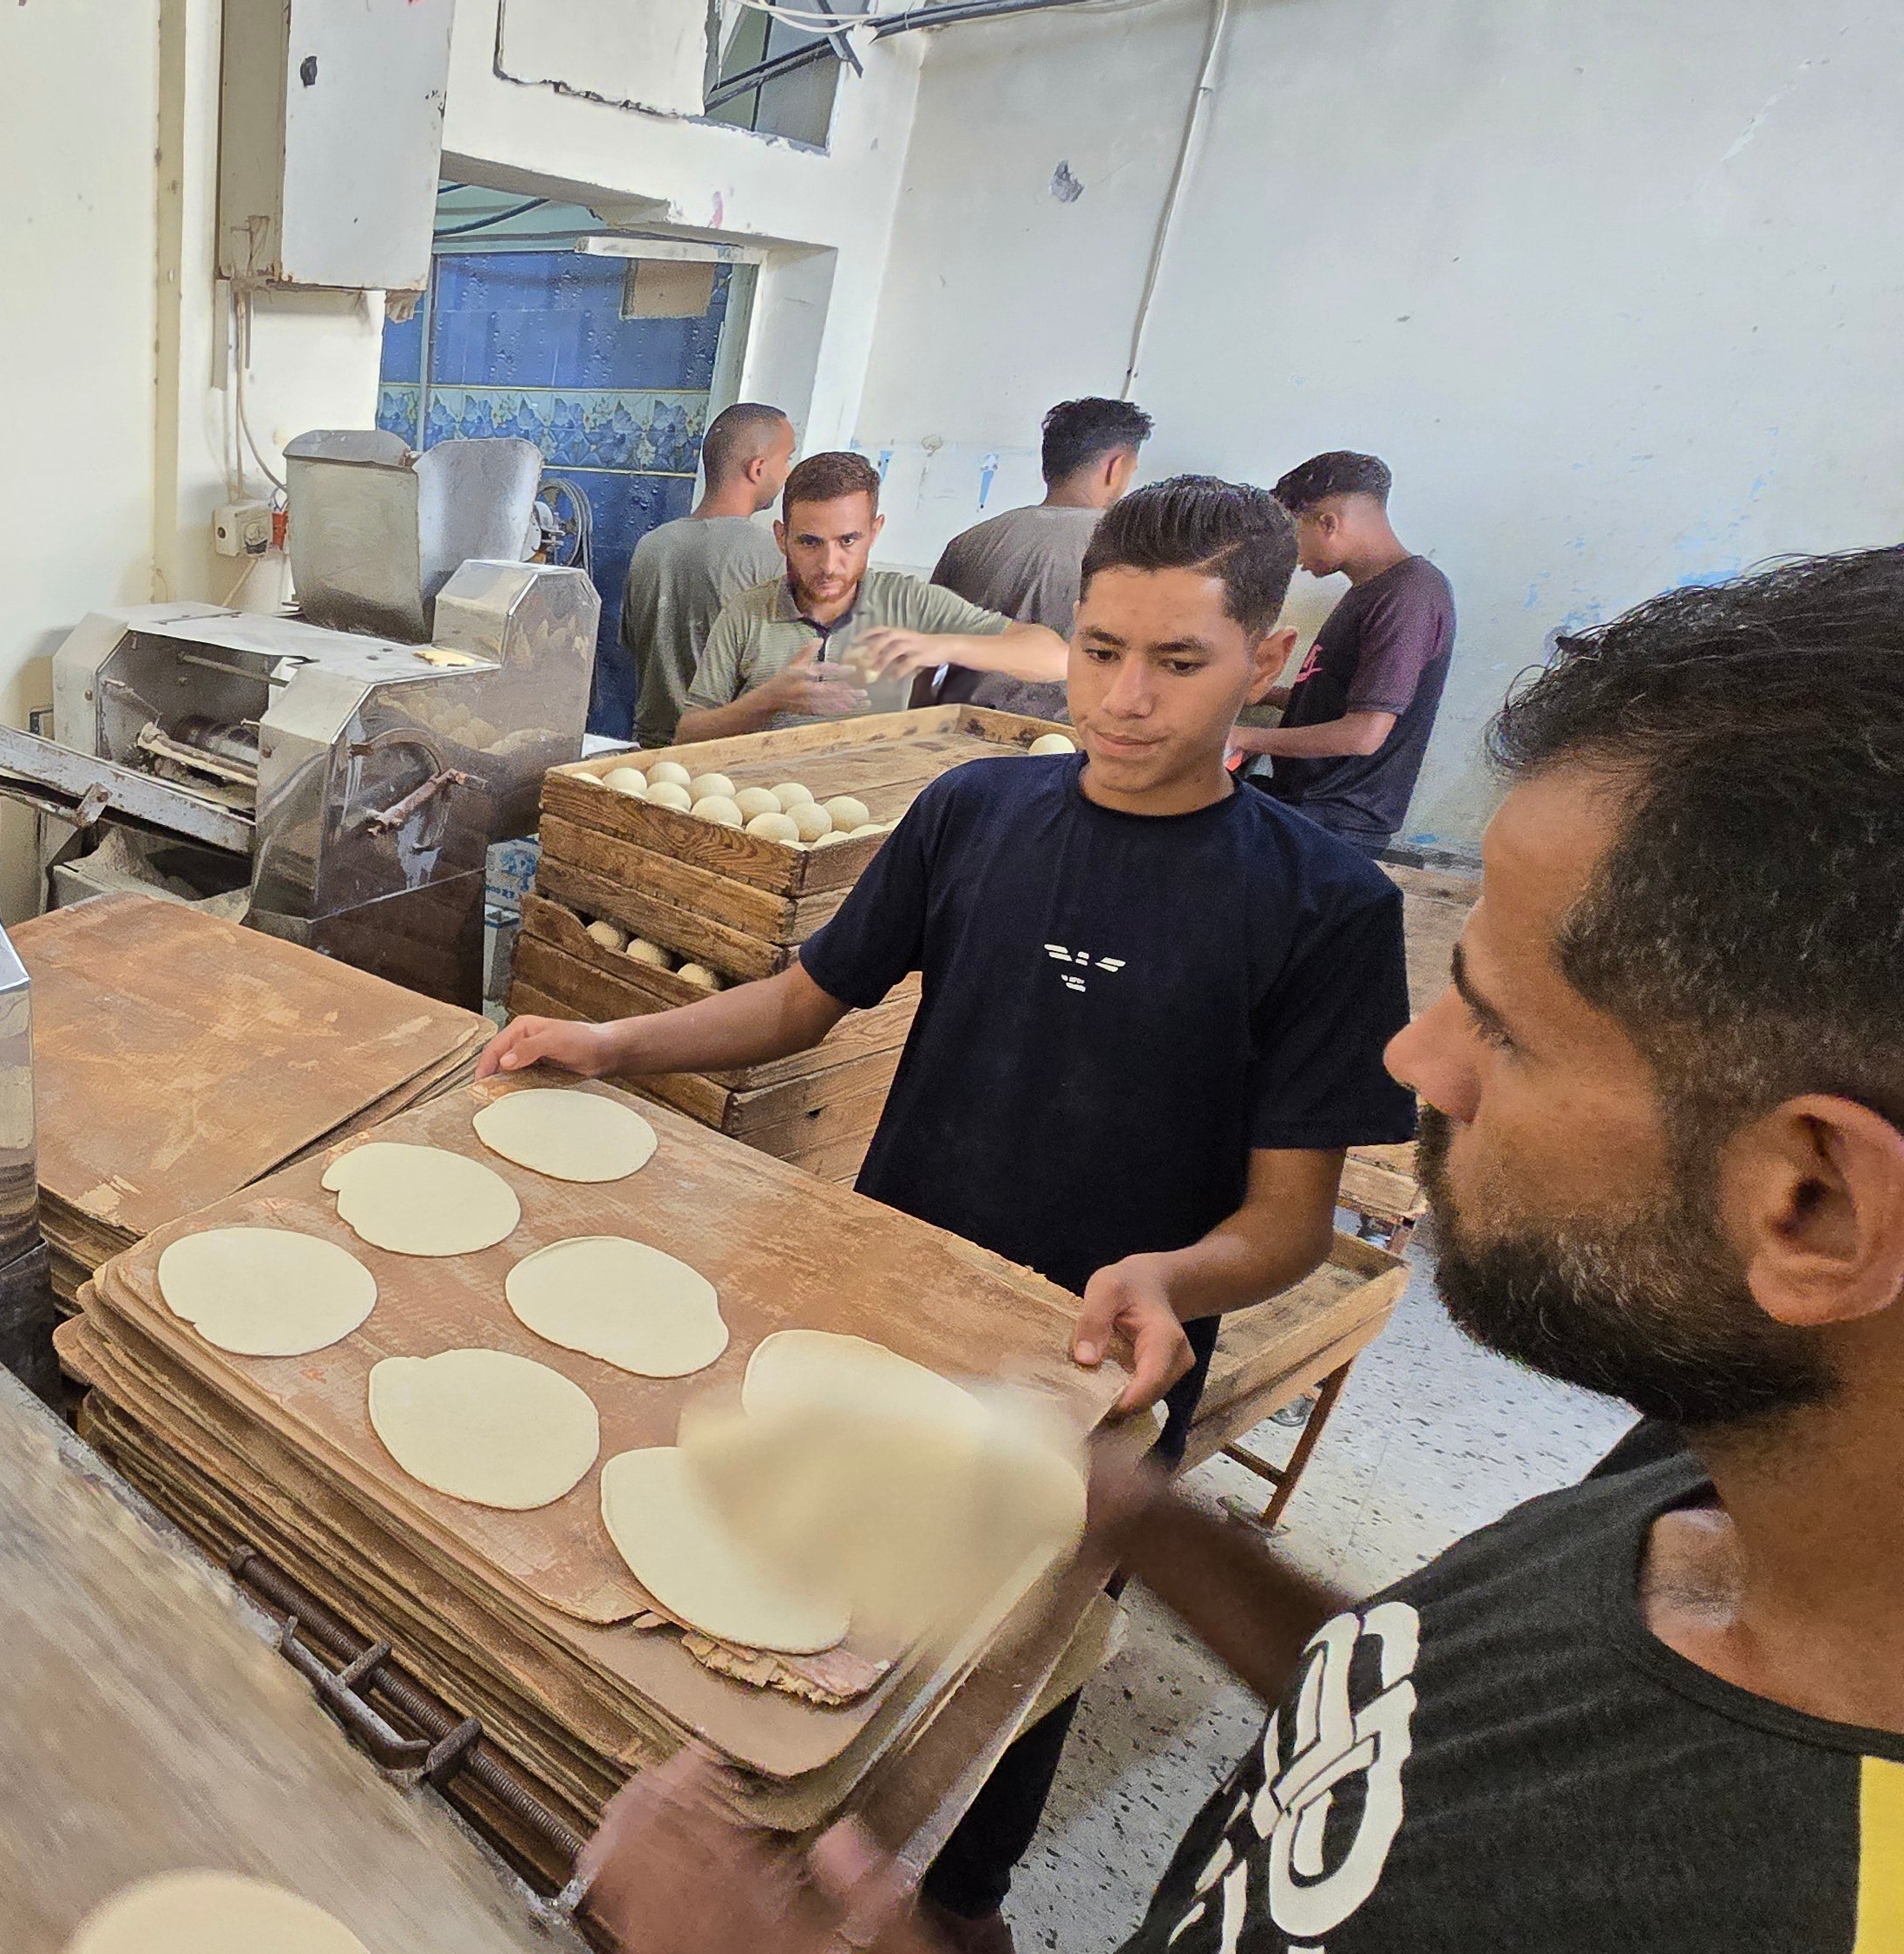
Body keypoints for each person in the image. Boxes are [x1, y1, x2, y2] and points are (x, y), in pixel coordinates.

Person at [580, 547, 1904, 1954]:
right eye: (1100, 650)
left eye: (1503, 1027)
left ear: (1813, 1204)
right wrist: (1136, 1513)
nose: (1415, 1059)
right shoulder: (1693, 1485)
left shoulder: (1794, 1894)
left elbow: (1285, 1221)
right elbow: (1402, 1695)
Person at [485, 477, 1418, 1947]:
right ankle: (764, 1847)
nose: (1124, 698)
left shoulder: (1324, 905)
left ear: (1269, 661)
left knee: (1016, 1664)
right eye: (1101, 651)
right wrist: (611, 1041)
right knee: (815, 1610)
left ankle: (965, 1904)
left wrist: (1175, 1279)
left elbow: (1289, 1220)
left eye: (1179, 662)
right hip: (888, 1298)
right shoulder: (976, 812)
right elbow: (806, 999)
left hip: (1102, 1365)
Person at [666, 451, 1071, 744]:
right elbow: (688, 734)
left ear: (874, 533)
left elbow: (1055, 658)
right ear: (781, 537)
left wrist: (943, 646)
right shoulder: (747, 613)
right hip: (762, 809)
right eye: (809, 542)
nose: (829, 564)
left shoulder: (909, 603)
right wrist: (769, 700)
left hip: (869, 805)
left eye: (848, 541)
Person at [1231, 450, 1455, 852]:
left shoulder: (1408, 596)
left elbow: (1364, 734)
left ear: (1328, 524)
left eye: (1292, 535)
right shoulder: (1371, 591)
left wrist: (1239, 736)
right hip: (1306, 804)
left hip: (1337, 824)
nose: (1293, 557)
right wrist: (1262, 693)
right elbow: (1333, 701)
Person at [923, 397, 1156, 720]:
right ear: (1115, 468)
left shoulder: (969, 542)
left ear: (1048, 468)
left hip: (954, 727)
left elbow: (925, 656)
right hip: (1062, 737)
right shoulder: (1133, 551)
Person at [626, 403, 798, 748]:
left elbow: (634, 646)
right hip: (720, 757)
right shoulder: (771, 556)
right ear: (758, 468)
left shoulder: (650, 546)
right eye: (787, 460)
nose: (788, 473)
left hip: (647, 754)